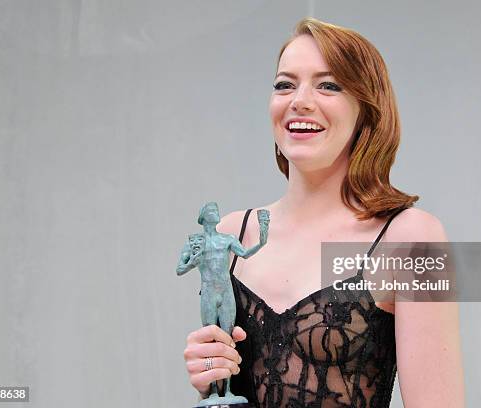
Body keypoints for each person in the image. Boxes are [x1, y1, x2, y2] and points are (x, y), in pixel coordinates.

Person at [182, 17, 465, 407]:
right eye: (285, 84)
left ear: (367, 109)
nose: (299, 100)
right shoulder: (237, 231)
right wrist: (210, 379)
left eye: (328, 85)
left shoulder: (412, 239)